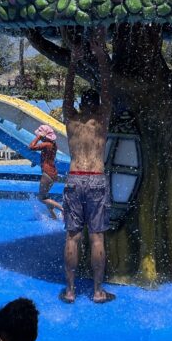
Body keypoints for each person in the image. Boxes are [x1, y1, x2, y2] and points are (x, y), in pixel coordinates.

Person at [60, 28, 114, 304]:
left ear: (82, 104)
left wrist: (73, 62)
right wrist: (101, 56)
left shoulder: (72, 120)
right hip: (95, 179)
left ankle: (70, 291)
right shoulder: (102, 121)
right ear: (98, 105)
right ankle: (97, 291)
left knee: (72, 236)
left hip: (73, 178)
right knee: (96, 239)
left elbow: (67, 94)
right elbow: (106, 86)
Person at [28, 125, 62, 219]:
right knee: (46, 196)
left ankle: (63, 209)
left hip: (47, 174)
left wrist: (38, 137)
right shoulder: (53, 145)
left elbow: (31, 147)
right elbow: (47, 157)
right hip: (53, 173)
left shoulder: (47, 144)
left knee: (41, 198)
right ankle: (54, 216)